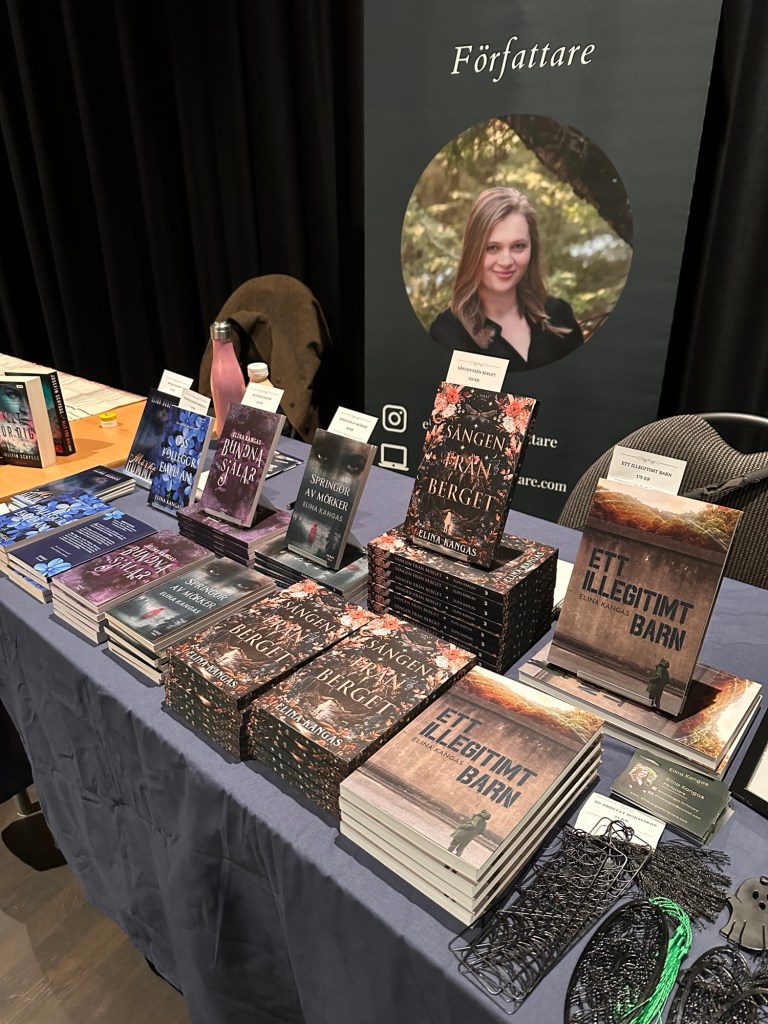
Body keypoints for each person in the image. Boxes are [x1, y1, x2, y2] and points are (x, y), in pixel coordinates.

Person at [429, 186, 584, 371]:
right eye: (492, 248)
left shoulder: (559, 315)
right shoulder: (448, 334)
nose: (506, 261)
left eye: (518, 246)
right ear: (473, 251)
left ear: (532, 249)